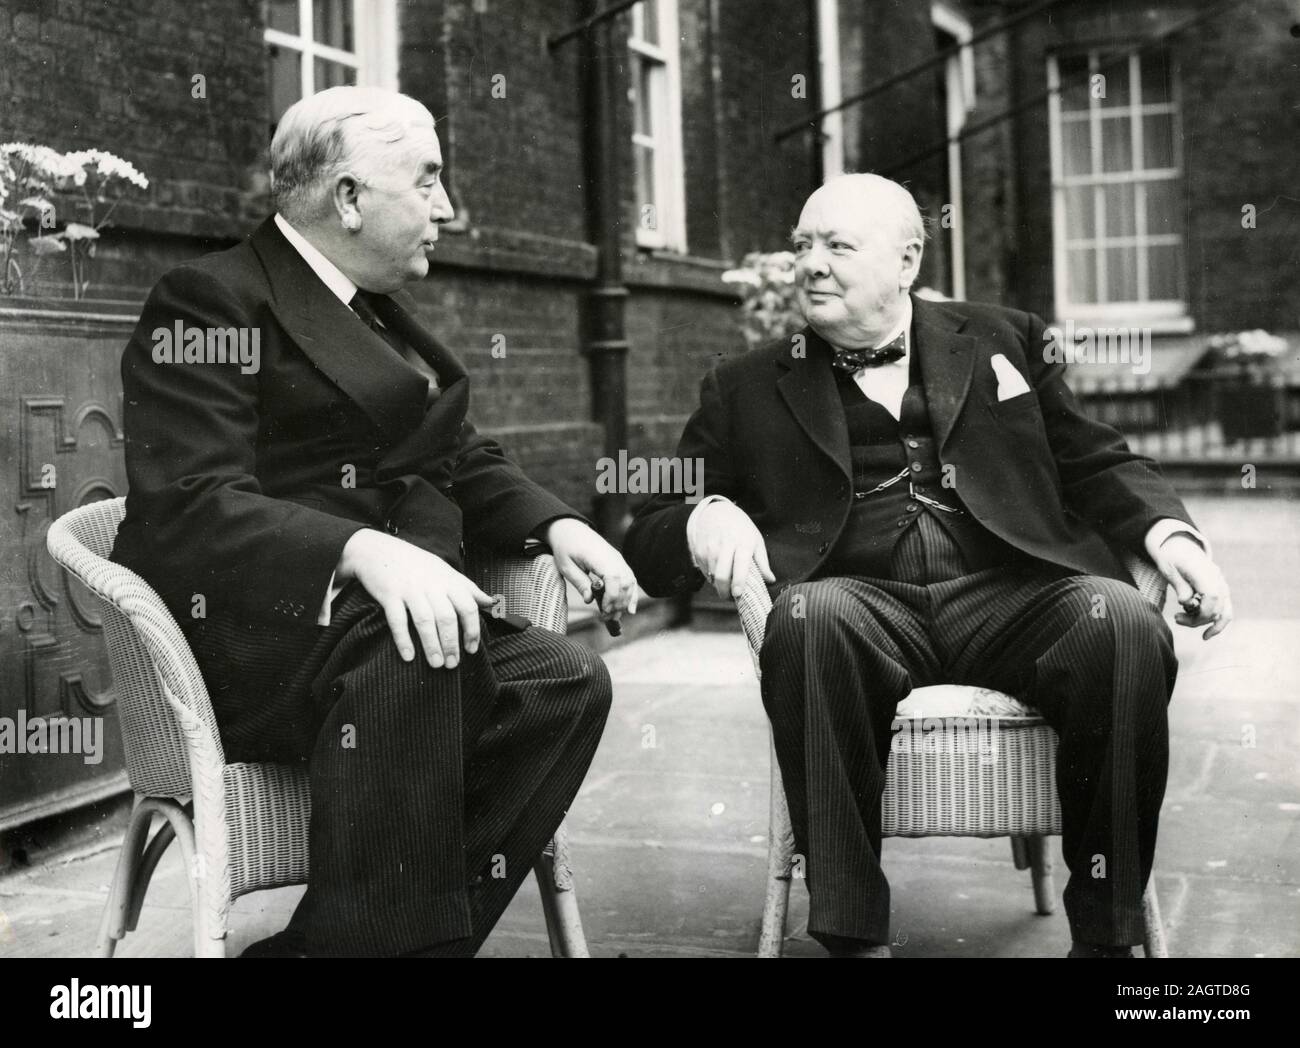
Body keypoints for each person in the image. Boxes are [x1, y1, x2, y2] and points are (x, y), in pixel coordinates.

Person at [623, 173, 1232, 958]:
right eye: (802, 245)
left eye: (838, 246)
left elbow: (1094, 460)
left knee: (1118, 622)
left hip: (1012, 596)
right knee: (807, 620)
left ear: (907, 260)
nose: (810, 264)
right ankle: (853, 936)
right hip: (862, 605)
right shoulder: (743, 384)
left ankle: (1107, 941)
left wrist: (1174, 542)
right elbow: (648, 524)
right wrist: (703, 516)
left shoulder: (1005, 338)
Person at [112, 86, 637, 957]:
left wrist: (558, 528)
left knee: (565, 680)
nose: (448, 209)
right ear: (348, 199)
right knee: (418, 649)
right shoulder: (208, 301)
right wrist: (362, 553)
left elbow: (455, 456)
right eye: (428, 181)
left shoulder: (377, 309)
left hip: (383, 634)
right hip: (255, 636)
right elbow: (189, 501)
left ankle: (335, 947)